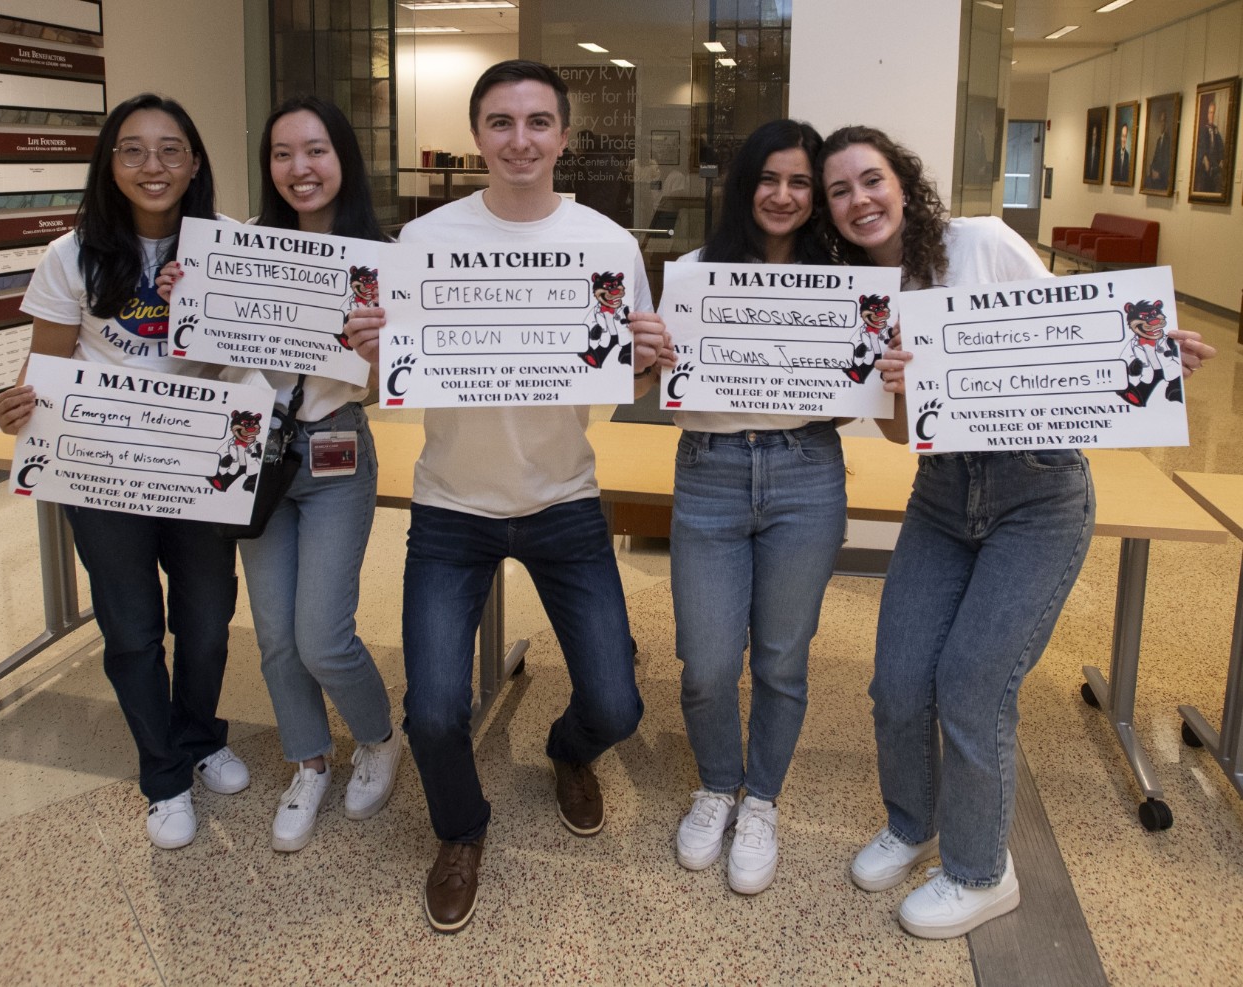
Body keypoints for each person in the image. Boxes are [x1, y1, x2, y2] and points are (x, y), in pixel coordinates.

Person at [814, 125, 1216, 939]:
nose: (859, 200)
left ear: (903, 182)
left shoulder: (982, 242)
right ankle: (912, 820)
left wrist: (1146, 350)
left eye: (871, 179)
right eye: (840, 191)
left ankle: (980, 871)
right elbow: (899, 436)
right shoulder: (858, 293)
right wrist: (893, 385)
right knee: (896, 682)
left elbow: (1070, 332)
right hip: (942, 494)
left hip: (1038, 494)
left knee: (971, 683)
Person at [346, 59, 674, 934]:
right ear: (478, 136)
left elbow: (629, 377)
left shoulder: (607, 245)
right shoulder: (424, 244)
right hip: (452, 505)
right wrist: (374, 346)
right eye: (500, 122)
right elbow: (390, 377)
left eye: (537, 123)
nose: (519, 140)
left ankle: (568, 753)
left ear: (563, 137)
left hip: (564, 499)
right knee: (435, 710)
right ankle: (462, 829)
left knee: (617, 702)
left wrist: (649, 358)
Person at [0, 93, 248, 850]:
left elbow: (260, 355)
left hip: (200, 465)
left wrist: (214, 299)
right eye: (132, 150)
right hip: (104, 471)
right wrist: (19, 408)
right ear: (110, 163)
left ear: (195, 162)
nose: (152, 165)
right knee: (133, 628)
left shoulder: (230, 245)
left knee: (204, 619)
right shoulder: (70, 255)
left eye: (171, 149)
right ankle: (164, 772)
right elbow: (49, 369)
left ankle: (201, 737)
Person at [210, 96, 400, 853]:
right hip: (254, 452)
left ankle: (381, 736)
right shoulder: (240, 247)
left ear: (343, 158)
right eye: (283, 154)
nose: (300, 168)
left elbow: (396, 386)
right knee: (277, 636)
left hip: (335, 449)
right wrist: (187, 302)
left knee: (323, 635)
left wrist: (384, 344)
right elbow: (202, 354)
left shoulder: (378, 257)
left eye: (315, 151)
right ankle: (310, 757)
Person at [669, 120, 846, 895]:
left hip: (806, 473)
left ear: (814, 197)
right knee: (707, 664)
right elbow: (665, 396)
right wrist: (651, 356)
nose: (782, 195)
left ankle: (762, 798)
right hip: (708, 472)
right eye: (768, 178)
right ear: (744, 185)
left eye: (800, 182)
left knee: (781, 657)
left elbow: (848, 402)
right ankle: (716, 783)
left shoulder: (844, 284)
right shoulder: (688, 274)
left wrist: (876, 365)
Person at [1196, 98, 1226, 194]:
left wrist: (1222, 159)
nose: (1211, 115)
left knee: (1219, 178)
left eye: (1213, 113)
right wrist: (1205, 158)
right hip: (1206, 163)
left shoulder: (1216, 131)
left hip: (1214, 164)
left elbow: (1221, 146)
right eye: (1210, 112)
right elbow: (1201, 147)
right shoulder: (1204, 129)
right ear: (1207, 114)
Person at [1145, 109, 1172, 191]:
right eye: (1161, 121)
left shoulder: (1169, 140)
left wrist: (1159, 174)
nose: (1162, 124)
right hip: (1155, 174)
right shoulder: (1158, 140)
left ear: (1166, 123)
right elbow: (1154, 159)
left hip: (1162, 177)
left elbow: (1168, 162)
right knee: (1146, 181)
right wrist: (1152, 170)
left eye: (1163, 121)